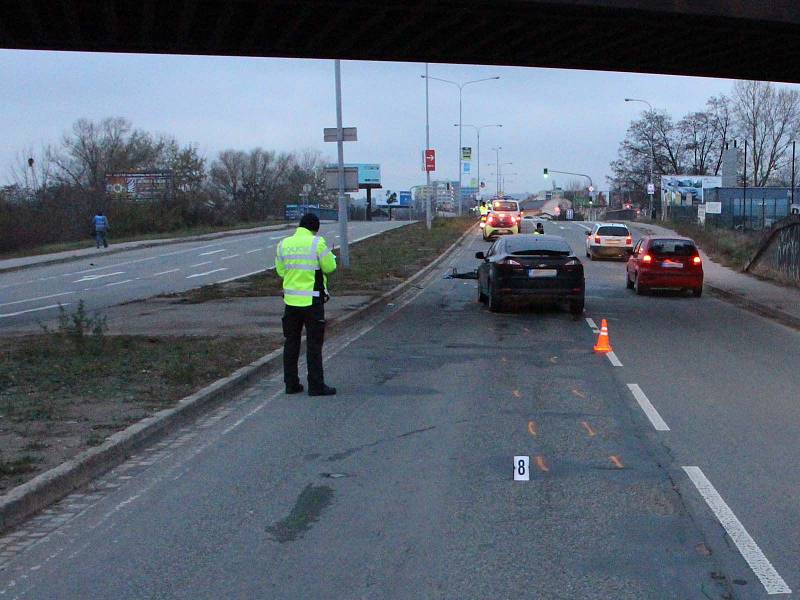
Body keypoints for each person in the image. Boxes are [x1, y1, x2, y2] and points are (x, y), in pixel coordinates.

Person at [275, 213, 337, 396]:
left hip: (291, 302)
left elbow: (280, 271)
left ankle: (291, 384)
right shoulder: (317, 243)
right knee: (313, 344)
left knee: (291, 343)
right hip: (312, 301)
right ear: (315, 228)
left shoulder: (283, 244)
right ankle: (316, 385)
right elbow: (330, 267)